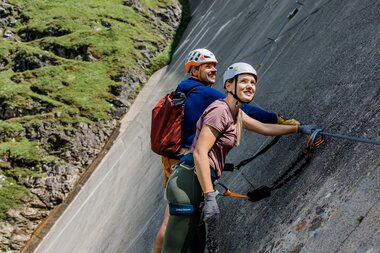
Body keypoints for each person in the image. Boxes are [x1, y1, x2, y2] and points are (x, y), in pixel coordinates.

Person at [153, 49, 299, 253]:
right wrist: (277, 117)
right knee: (172, 228)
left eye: (214, 65)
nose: (213, 69)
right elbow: (245, 110)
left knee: (176, 228)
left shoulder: (184, 92)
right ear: (194, 70)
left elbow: (261, 128)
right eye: (207, 66)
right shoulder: (206, 94)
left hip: (177, 164)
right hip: (188, 168)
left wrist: (298, 129)